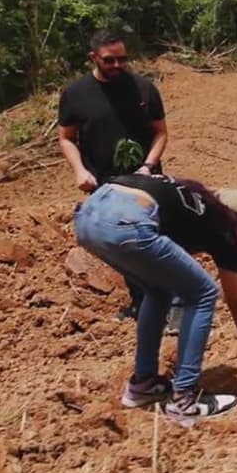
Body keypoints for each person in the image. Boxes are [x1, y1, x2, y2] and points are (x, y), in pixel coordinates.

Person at [74, 173, 237, 422]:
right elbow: (235, 299)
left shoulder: (190, 198)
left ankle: (143, 384)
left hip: (88, 217)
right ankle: (184, 401)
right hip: (125, 222)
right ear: (235, 218)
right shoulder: (221, 225)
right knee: (204, 293)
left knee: (158, 289)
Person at [58, 29, 170, 322]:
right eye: (110, 61)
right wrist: (79, 169)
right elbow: (67, 137)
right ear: (94, 58)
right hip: (104, 185)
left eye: (123, 59)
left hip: (145, 182)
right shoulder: (75, 95)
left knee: (151, 241)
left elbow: (160, 133)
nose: (118, 65)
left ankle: (167, 304)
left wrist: (147, 165)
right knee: (121, 246)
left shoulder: (143, 89)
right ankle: (141, 304)